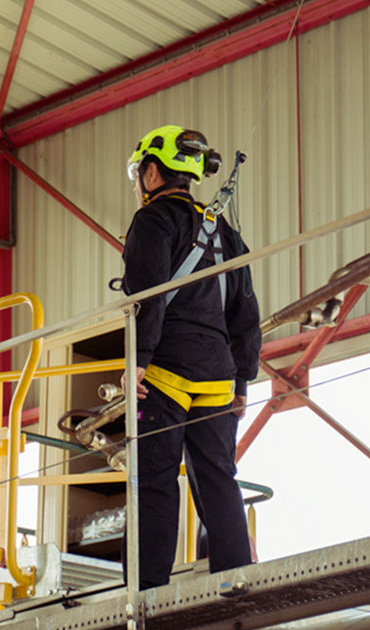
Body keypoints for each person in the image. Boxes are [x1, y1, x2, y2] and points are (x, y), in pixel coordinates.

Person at [119, 125, 260, 590]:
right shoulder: (225, 231)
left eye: (142, 173)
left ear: (154, 173)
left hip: (165, 372)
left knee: (155, 479)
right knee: (219, 478)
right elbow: (245, 310)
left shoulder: (153, 221)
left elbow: (147, 293)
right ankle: (236, 577)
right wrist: (242, 381)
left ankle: (144, 590)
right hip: (217, 375)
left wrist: (136, 360)